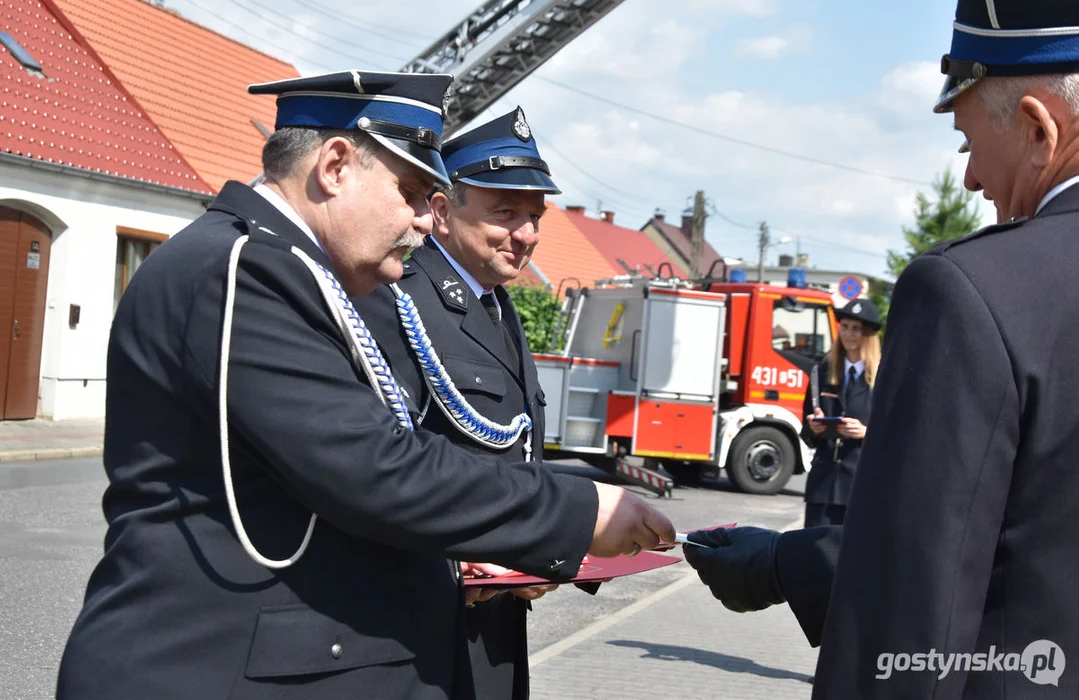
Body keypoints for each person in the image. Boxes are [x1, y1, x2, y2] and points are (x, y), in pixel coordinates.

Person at [55, 71, 674, 700]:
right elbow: (372, 470)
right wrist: (575, 512)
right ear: (335, 164)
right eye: (409, 192)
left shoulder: (299, 272)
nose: (423, 222)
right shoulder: (244, 271)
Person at [686, 0, 1079, 696]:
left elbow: (919, 589)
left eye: (968, 142)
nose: (970, 178)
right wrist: (787, 563)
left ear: (1037, 128)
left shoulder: (975, 292)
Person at [352, 106, 564, 700]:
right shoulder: (395, 301)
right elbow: (376, 471)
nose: (528, 234)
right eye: (506, 213)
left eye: (534, 216)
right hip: (424, 625)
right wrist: (462, 563)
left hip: (495, 618)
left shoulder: (498, 306)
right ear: (442, 211)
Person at [800, 298, 880, 527]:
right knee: (813, 555)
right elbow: (806, 433)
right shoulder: (822, 372)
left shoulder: (884, 378)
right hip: (822, 484)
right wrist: (813, 428)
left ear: (869, 335)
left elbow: (896, 434)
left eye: (857, 329)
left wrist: (866, 432)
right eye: (845, 327)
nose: (849, 334)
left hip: (860, 484)